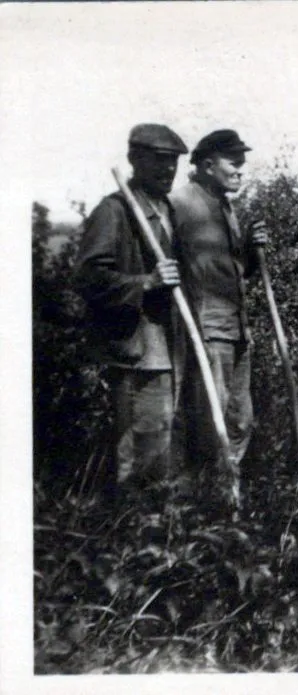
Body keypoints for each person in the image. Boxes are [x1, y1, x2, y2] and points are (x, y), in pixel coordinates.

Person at [75, 123, 188, 512]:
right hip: (137, 350)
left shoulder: (166, 209)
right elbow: (90, 277)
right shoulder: (115, 210)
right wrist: (146, 282)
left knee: (161, 445)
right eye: (159, 161)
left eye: (173, 162)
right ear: (134, 160)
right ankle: (131, 536)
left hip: (168, 346)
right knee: (139, 449)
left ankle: (155, 532)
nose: (168, 170)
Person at [169, 129, 268, 508]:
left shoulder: (225, 207)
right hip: (206, 331)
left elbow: (234, 274)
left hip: (237, 330)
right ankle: (202, 505)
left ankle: (227, 496)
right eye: (234, 163)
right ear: (207, 164)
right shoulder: (179, 204)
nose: (241, 171)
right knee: (210, 422)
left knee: (240, 419)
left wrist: (251, 254)